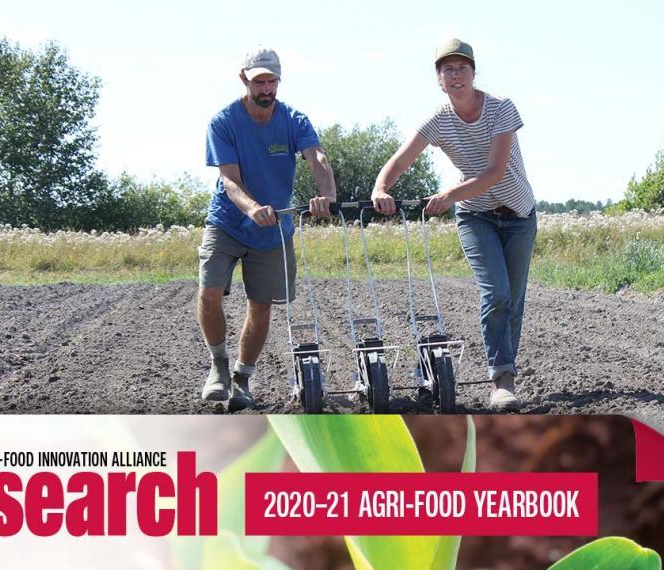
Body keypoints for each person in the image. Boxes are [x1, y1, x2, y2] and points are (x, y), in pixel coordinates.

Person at [371, 38, 537, 411]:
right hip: (476, 216)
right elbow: (400, 160)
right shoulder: (438, 119)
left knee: (512, 301)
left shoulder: (500, 110)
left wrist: (448, 195)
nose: (456, 75)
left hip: (519, 215)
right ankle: (502, 382)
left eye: (463, 68)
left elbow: (494, 171)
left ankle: (504, 373)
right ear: (439, 79)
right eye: (448, 69)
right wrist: (381, 187)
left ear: (474, 73)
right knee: (495, 293)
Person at [198, 47, 336, 412]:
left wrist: (327, 194)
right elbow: (229, 180)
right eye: (259, 81)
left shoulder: (294, 120)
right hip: (228, 222)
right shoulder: (224, 122)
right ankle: (219, 366)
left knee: (261, 305)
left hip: (274, 229)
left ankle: (242, 379)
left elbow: (316, 157)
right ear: (243, 79)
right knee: (209, 292)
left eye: (272, 80)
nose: (266, 88)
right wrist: (253, 208)